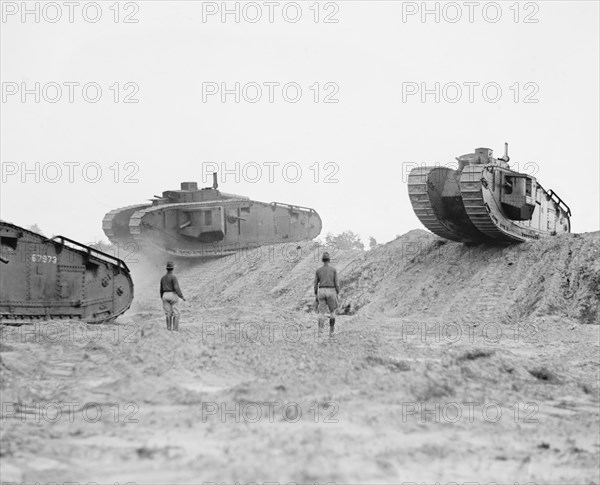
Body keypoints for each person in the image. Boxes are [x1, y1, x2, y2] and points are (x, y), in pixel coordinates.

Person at [314, 251, 340, 336]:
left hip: (321, 291)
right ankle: (331, 332)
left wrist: (315, 293)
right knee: (332, 312)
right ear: (329, 260)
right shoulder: (333, 270)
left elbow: (315, 283)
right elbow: (336, 283)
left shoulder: (318, 270)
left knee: (321, 312)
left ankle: (320, 330)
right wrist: (337, 292)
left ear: (322, 260)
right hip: (331, 291)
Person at [160, 261, 185, 331]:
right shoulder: (173, 277)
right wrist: (181, 296)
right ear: (173, 269)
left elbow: (161, 289)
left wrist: (162, 297)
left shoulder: (163, 278)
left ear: (167, 269)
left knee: (168, 313)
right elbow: (176, 288)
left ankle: (168, 328)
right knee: (176, 313)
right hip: (172, 294)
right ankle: (175, 329)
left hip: (164, 295)